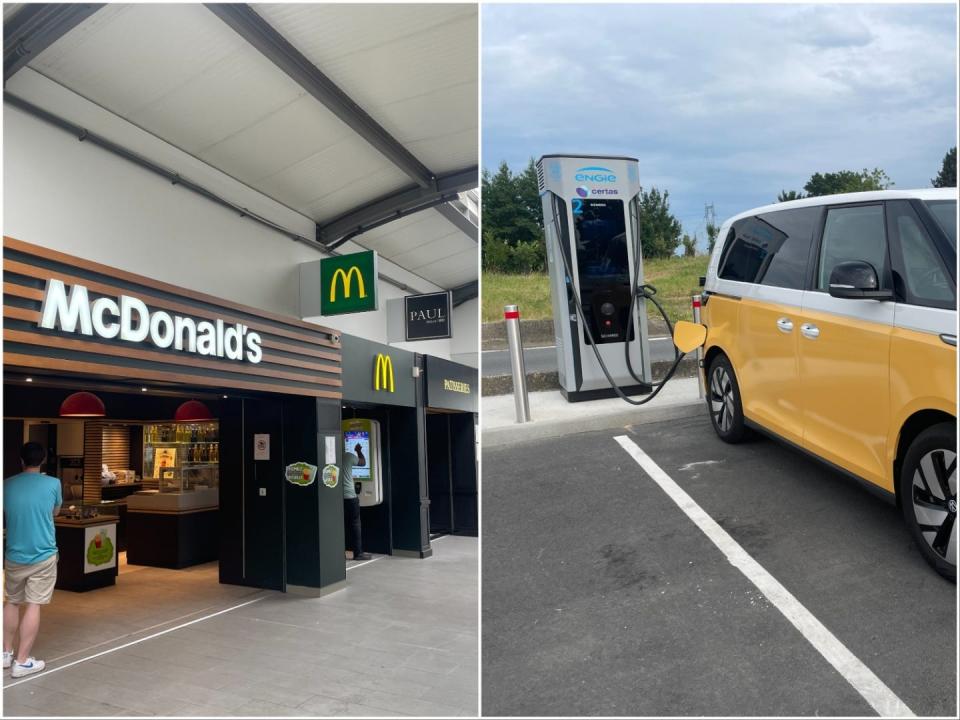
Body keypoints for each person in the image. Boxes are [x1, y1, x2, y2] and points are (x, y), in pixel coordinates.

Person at [3, 442, 62, 678]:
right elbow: (55, 512)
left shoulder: (6, 485)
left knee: (12, 601)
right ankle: (22, 661)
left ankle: (5, 654)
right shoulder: (53, 484)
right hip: (43, 553)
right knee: (34, 603)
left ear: (21, 460)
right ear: (43, 460)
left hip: (14, 553)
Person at [342, 448, 370, 561]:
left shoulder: (329, 458)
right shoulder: (348, 456)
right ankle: (358, 553)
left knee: (339, 526)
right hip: (350, 496)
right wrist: (358, 450)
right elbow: (363, 462)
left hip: (335, 499)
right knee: (355, 525)